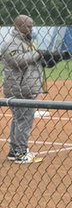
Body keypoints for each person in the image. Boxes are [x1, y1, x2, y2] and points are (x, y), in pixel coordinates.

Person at [2, 14, 53, 164]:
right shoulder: (12, 42)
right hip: (20, 88)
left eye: (32, 26)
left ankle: (14, 151)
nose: (31, 29)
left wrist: (47, 60)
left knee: (19, 120)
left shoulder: (26, 42)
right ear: (18, 26)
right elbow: (17, 61)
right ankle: (20, 153)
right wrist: (38, 54)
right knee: (24, 121)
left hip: (24, 86)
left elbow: (32, 62)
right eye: (28, 26)